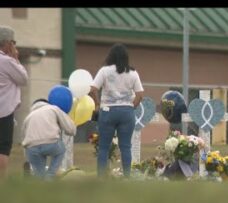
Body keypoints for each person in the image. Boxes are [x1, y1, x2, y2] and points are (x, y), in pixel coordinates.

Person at [89, 43, 144, 178]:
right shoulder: (133, 72)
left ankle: (101, 177)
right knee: (125, 147)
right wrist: (132, 107)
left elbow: (93, 90)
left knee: (103, 147)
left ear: (111, 56)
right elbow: (140, 94)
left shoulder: (104, 71)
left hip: (108, 111)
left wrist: (98, 104)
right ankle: (126, 177)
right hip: (127, 112)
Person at [21, 99, 76, 180]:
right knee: (61, 150)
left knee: (39, 176)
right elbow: (70, 128)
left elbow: (23, 138)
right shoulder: (53, 108)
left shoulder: (28, 117)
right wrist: (71, 132)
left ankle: (41, 184)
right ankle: (50, 175)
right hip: (51, 142)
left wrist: (27, 157)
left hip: (32, 147)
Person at [0, 25, 28, 179]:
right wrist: (15, 58)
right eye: (13, 42)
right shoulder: (7, 61)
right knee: (2, 148)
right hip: (3, 111)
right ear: (7, 43)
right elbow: (23, 78)